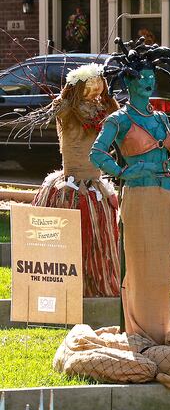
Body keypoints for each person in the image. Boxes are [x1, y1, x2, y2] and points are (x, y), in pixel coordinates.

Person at [90, 37, 170, 345]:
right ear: (129, 83)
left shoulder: (160, 118)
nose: (148, 83)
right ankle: (140, 333)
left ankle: (160, 329)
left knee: (162, 268)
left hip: (164, 199)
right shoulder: (118, 119)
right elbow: (97, 153)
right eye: (142, 79)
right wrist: (121, 171)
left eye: (152, 79)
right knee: (141, 265)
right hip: (138, 195)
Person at [14, 63, 121, 297]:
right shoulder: (66, 110)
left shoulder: (104, 110)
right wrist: (69, 91)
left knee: (97, 242)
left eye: (98, 84)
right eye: (90, 85)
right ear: (78, 87)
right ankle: (61, 285)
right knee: (67, 239)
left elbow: (119, 118)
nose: (95, 89)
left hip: (95, 185)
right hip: (70, 186)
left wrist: (108, 97)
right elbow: (57, 108)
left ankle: (94, 283)